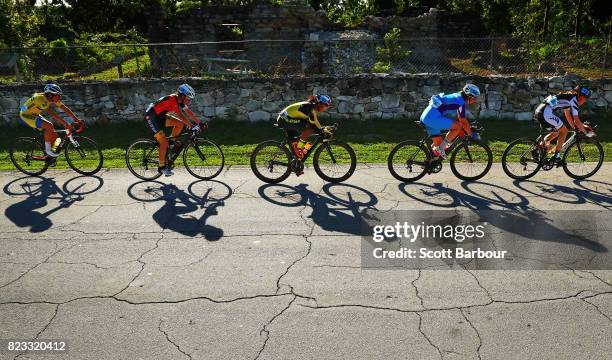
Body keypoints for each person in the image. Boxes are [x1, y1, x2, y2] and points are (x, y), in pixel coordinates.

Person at [144, 83, 206, 176]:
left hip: (161, 117)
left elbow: (188, 112)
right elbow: (180, 115)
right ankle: (162, 167)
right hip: (152, 118)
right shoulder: (172, 99)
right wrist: (192, 126)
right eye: (188, 99)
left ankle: (171, 144)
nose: (189, 102)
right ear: (182, 95)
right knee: (163, 143)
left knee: (179, 124)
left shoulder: (180, 101)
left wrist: (199, 123)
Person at [19, 83, 83, 161]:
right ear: (50, 95)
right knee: (48, 125)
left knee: (55, 136)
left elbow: (63, 107)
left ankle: (49, 157)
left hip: (34, 114)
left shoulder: (52, 98)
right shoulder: (40, 99)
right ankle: (48, 151)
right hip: (25, 115)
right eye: (57, 95)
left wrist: (76, 119)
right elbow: (52, 114)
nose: (59, 97)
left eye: (59, 95)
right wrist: (65, 124)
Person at [534, 85, 593, 163]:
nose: (584, 101)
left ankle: (536, 150)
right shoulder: (573, 100)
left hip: (539, 111)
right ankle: (556, 156)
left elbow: (567, 114)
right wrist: (586, 132)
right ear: (580, 97)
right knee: (564, 131)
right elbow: (576, 120)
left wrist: (575, 128)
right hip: (545, 113)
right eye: (585, 99)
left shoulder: (569, 97)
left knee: (556, 132)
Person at [420, 84, 481, 159]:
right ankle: (440, 148)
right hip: (432, 118)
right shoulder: (460, 101)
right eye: (475, 98)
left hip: (426, 116)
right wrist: (470, 134)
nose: (475, 100)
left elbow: (460, 117)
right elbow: (463, 121)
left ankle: (428, 163)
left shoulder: (457, 96)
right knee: (458, 126)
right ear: (470, 96)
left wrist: (467, 127)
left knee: (438, 145)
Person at [276, 94, 333, 162]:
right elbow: (314, 124)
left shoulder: (312, 107)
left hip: (286, 119)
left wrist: (322, 130)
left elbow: (316, 122)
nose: (326, 108)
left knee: (308, 128)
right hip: (284, 120)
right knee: (310, 127)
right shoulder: (309, 107)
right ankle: (298, 147)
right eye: (326, 105)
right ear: (320, 103)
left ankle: (296, 162)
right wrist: (322, 132)